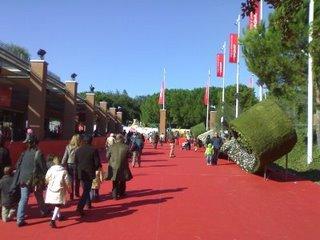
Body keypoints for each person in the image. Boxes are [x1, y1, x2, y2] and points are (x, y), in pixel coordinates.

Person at [16, 135, 49, 227]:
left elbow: (18, 165)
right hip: (34, 179)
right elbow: (43, 168)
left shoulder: (24, 153)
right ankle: (44, 210)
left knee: (24, 198)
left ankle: (20, 218)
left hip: (23, 178)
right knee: (38, 195)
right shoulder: (38, 153)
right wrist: (47, 177)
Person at [75, 134, 101, 216]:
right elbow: (97, 163)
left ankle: (88, 204)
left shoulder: (78, 150)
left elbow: (75, 162)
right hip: (89, 173)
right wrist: (95, 169)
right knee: (86, 190)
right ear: (91, 141)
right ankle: (80, 207)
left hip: (81, 172)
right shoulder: (93, 150)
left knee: (85, 189)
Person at [45, 156, 71, 228]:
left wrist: (48, 183)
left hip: (51, 188)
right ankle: (53, 220)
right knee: (58, 204)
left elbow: (46, 178)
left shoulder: (50, 170)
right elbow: (67, 181)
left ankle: (59, 216)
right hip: (60, 189)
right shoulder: (64, 171)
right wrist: (69, 189)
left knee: (55, 203)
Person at [106, 134, 133, 200]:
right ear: (122, 139)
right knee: (123, 180)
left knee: (115, 181)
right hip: (123, 165)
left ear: (116, 139)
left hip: (113, 166)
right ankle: (121, 193)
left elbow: (107, 156)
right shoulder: (126, 147)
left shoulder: (111, 146)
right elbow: (130, 155)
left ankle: (114, 195)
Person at [62, 134, 81, 200]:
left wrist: (62, 164)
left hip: (69, 164)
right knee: (77, 179)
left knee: (71, 180)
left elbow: (65, 157)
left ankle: (71, 195)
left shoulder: (68, 147)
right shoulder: (79, 147)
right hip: (77, 164)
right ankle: (77, 193)